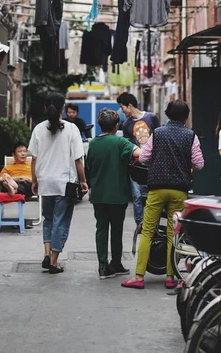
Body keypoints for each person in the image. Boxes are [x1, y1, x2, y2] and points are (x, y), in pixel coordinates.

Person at [121, 99, 204, 290]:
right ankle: (170, 276)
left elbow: (143, 157)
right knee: (173, 234)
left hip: (157, 188)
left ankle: (139, 276)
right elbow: (199, 164)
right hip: (179, 190)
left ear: (167, 114)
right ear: (186, 116)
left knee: (148, 231)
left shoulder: (157, 134)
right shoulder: (191, 136)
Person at [30, 92, 88, 274]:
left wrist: (34, 180)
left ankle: (46, 254)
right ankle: (54, 262)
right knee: (61, 221)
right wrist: (84, 180)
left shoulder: (39, 129)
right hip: (65, 183)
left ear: (46, 108)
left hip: (45, 181)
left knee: (48, 219)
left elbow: (34, 158)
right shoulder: (71, 129)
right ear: (63, 108)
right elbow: (78, 159)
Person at [86, 108, 140, 279]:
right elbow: (139, 153)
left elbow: (89, 166)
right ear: (116, 126)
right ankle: (116, 263)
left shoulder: (93, 143)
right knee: (116, 229)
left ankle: (102, 266)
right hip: (117, 194)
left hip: (98, 194)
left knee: (101, 229)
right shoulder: (121, 143)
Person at [116, 92, 160, 226]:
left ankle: (154, 223)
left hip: (154, 163)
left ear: (129, 105)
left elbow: (159, 137)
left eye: (122, 107)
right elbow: (127, 145)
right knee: (137, 195)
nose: (122, 111)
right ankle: (140, 224)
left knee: (155, 195)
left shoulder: (151, 117)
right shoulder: (126, 125)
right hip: (136, 165)